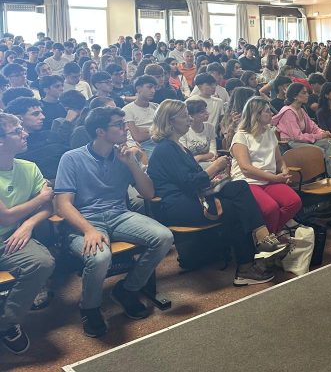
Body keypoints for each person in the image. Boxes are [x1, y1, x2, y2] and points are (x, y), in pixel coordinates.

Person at [54, 107, 174, 338]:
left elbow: (148, 193)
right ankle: (89, 307)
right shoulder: (72, 158)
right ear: (100, 131)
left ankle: (127, 289)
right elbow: (64, 205)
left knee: (164, 237)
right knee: (100, 257)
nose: (125, 129)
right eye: (118, 125)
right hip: (85, 221)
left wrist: (131, 163)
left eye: (124, 123)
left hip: (119, 214)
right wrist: (88, 230)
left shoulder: (123, 156)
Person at [146, 100, 285, 285]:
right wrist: (214, 167)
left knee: (240, 186)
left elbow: (195, 180)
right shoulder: (165, 149)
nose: (189, 119)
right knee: (235, 208)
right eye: (184, 116)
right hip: (178, 205)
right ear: (170, 121)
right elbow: (189, 183)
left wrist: (217, 176)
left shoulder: (180, 147)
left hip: (192, 197)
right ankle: (246, 266)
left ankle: (262, 237)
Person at [0, 112, 56, 355]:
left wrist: (28, 224)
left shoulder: (28, 167)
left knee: (42, 262)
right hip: (9, 228)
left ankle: (8, 323)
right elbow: (6, 216)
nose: (25, 134)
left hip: (11, 238)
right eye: (17, 131)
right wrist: (42, 197)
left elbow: (49, 206)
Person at [230, 97, 301, 233]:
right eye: (267, 111)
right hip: (248, 181)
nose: (271, 114)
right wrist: (275, 178)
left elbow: (279, 160)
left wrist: (284, 170)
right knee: (270, 208)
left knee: (294, 202)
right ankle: (271, 236)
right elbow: (246, 168)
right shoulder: (241, 136)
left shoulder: (269, 132)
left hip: (269, 179)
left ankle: (270, 234)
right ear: (256, 114)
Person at [272, 83, 331, 177]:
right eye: (304, 93)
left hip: (301, 141)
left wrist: (322, 132)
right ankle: (323, 176)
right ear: (295, 96)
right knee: (318, 151)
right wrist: (319, 136)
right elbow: (296, 137)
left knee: (330, 143)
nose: (307, 95)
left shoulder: (301, 110)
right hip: (290, 143)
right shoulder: (288, 112)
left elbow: (313, 126)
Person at [122, 75, 159, 155]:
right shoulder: (127, 110)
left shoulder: (156, 107)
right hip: (142, 146)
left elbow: (166, 129)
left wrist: (142, 129)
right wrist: (157, 130)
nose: (153, 91)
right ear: (138, 89)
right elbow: (137, 136)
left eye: (155, 88)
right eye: (150, 87)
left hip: (160, 142)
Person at [180, 99, 218, 166]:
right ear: (191, 116)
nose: (207, 113)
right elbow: (185, 156)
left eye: (206, 110)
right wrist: (207, 157)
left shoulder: (210, 127)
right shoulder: (184, 130)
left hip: (208, 163)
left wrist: (199, 157)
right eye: (202, 112)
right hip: (191, 165)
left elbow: (213, 152)